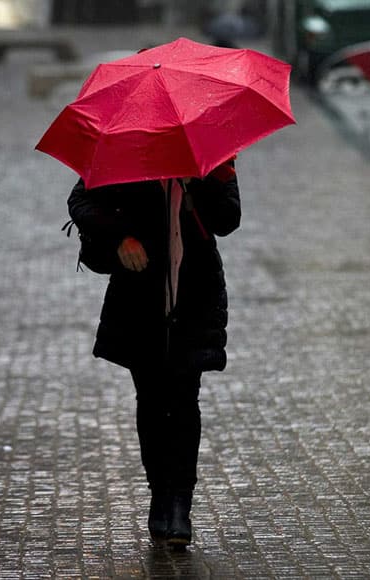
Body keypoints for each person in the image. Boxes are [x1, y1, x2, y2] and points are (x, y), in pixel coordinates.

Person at [67, 159, 241, 548]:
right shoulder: (128, 157)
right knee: (151, 399)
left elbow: (228, 219)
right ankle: (159, 493)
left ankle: (180, 502)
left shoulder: (212, 159)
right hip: (140, 301)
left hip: (194, 298)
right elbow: (79, 201)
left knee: (183, 399)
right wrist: (120, 238)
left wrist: (202, 185)